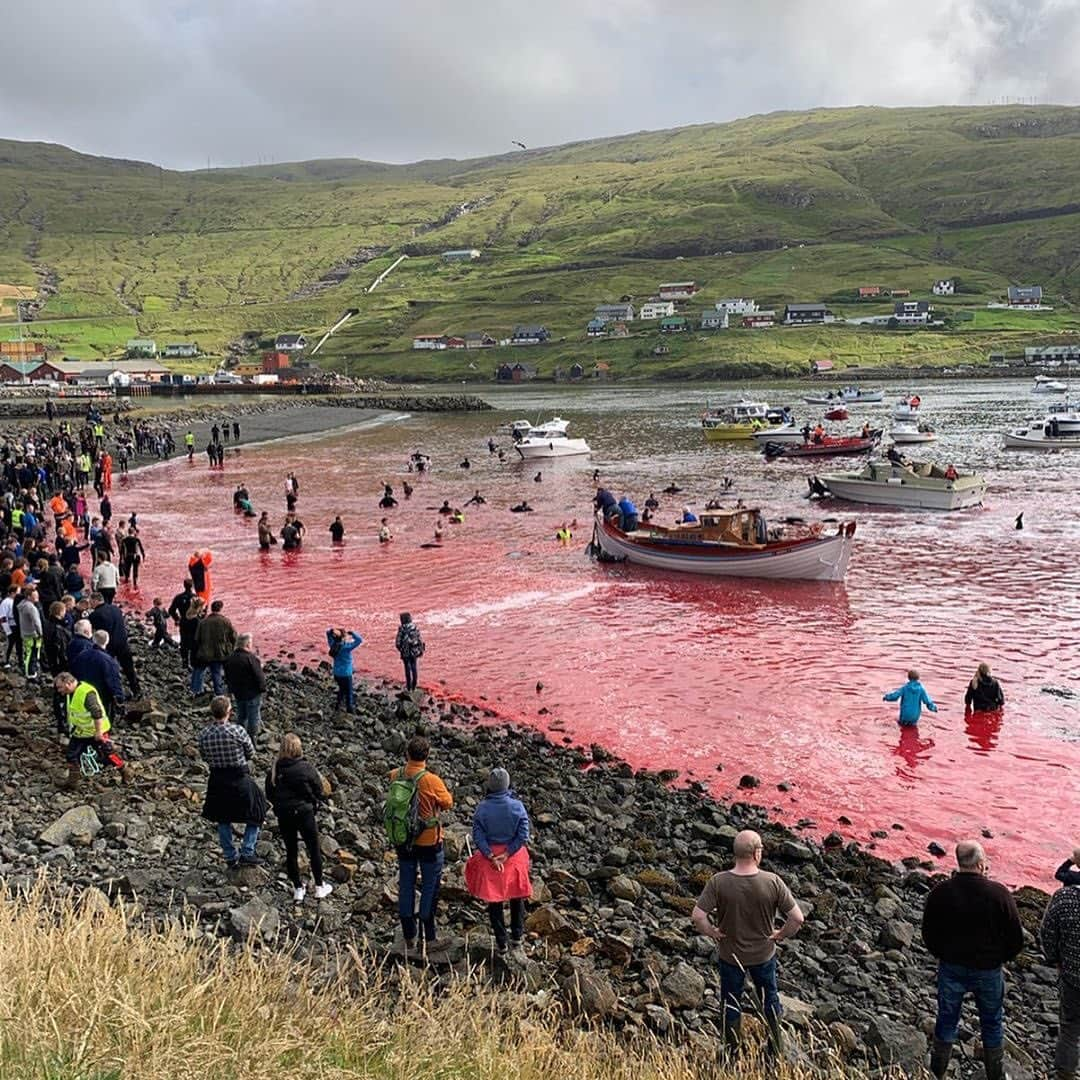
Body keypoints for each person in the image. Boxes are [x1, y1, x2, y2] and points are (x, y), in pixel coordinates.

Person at [691, 830, 804, 1056]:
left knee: (731, 1001)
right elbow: (797, 918)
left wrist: (712, 932)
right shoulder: (772, 881)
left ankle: (732, 1050)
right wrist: (780, 934)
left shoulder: (719, 881)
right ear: (756, 853)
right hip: (763, 955)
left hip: (730, 956)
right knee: (769, 998)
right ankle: (775, 1048)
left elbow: (697, 916)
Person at [921, 840, 1023, 1080]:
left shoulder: (941, 892)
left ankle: (937, 1074)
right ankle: (995, 1076)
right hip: (988, 969)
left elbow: (928, 931)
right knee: (992, 1023)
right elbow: (1015, 937)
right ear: (980, 864)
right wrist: (999, 959)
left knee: (946, 1020)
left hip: (952, 966)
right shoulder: (999, 893)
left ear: (959, 862)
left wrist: (942, 954)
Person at [388, 736, 453, 950]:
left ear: (407, 754)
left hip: (403, 839)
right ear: (427, 756)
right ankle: (429, 938)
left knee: (406, 884)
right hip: (428, 842)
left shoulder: (395, 775)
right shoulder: (431, 780)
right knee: (429, 886)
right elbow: (447, 803)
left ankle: (409, 935)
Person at [465, 767, 531, 954]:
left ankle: (501, 943)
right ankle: (517, 937)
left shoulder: (482, 808)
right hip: (513, 858)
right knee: (517, 898)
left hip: (490, 860)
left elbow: (478, 837)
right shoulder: (517, 806)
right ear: (507, 785)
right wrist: (508, 853)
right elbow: (523, 835)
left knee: (494, 901)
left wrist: (490, 855)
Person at [198, 695, 266, 869]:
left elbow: (204, 756)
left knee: (223, 817)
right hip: (238, 777)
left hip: (217, 779)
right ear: (229, 712)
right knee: (257, 809)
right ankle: (247, 851)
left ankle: (230, 855)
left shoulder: (204, 734)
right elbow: (250, 753)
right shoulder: (237, 731)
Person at [265, 733, 332, 902]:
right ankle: (319, 886)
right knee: (313, 849)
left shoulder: (274, 770)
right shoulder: (306, 768)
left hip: (285, 815)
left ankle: (298, 889)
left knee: (291, 851)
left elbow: (270, 794)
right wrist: (314, 801)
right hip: (304, 813)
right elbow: (319, 790)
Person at [1042, 847, 1080, 1078]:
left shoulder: (1065, 896)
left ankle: (1066, 1073)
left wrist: (1055, 958)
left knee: (1070, 1028)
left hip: (1072, 974)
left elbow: (1047, 932)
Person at [54, 671, 127, 788]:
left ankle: (125, 770)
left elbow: (97, 713)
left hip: (96, 731)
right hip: (81, 732)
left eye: (60, 687)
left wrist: (98, 732)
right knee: (71, 755)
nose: (59, 691)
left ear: (68, 683)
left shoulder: (86, 692)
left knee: (108, 754)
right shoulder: (70, 694)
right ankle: (73, 781)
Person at [88, 592, 140, 695]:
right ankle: (136, 689)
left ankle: (112, 691)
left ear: (95, 601)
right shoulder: (115, 609)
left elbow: (93, 631)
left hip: (108, 645)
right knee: (129, 668)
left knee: (109, 669)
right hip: (122, 642)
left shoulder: (95, 615)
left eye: (91, 602)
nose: (90, 605)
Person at [224, 633, 266, 737]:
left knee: (241, 716)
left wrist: (230, 690)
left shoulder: (230, 658)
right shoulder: (251, 658)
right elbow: (259, 676)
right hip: (252, 693)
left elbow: (227, 676)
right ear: (247, 644)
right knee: (253, 717)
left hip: (238, 692)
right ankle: (252, 739)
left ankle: (240, 736)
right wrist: (262, 689)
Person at [192, 599, 237, 696]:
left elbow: (197, 638)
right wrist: (232, 648)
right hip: (222, 652)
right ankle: (224, 691)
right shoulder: (225, 621)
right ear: (220, 609)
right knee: (222, 672)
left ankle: (200, 691)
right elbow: (233, 636)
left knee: (208, 671)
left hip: (206, 652)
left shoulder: (203, 622)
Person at [327, 628, 363, 714]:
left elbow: (328, 633)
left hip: (337, 673)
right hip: (346, 674)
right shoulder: (346, 647)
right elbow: (359, 640)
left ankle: (338, 705)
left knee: (342, 689)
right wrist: (353, 633)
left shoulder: (332, 645)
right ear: (343, 638)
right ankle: (349, 708)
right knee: (349, 692)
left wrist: (332, 630)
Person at [17, 585, 43, 679]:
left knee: (27, 652)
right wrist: (40, 633)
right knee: (31, 654)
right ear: (29, 596)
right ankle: (30, 673)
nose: (37, 598)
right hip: (32, 634)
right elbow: (37, 622)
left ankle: (28, 669)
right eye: (35, 596)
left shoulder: (22, 605)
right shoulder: (31, 608)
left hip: (25, 632)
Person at [395, 612, 424, 692]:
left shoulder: (402, 629)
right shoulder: (415, 627)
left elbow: (397, 642)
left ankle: (408, 686)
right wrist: (420, 650)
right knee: (414, 667)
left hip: (405, 652)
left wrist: (401, 649)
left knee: (407, 668)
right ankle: (414, 686)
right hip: (414, 650)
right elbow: (420, 640)